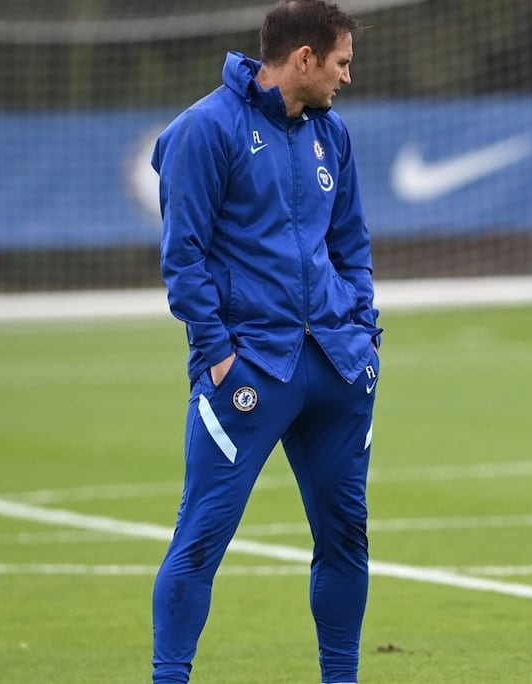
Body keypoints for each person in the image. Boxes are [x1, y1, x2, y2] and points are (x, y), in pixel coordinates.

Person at [149, 2, 381, 683]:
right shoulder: (203, 130)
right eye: (340, 62)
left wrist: (363, 334)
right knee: (199, 544)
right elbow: (182, 259)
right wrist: (219, 354)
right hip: (249, 371)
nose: (346, 77)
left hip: (338, 369)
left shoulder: (331, 135)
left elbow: (352, 244)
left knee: (347, 543)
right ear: (303, 58)